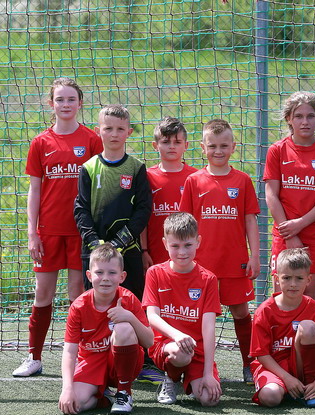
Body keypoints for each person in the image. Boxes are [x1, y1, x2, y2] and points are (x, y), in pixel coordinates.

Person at [14, 78, 103, 377]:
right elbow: (35, 189)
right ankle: (34, 357)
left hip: (81, 231)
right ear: (50, 104)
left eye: (71, 99)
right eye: (60, 99)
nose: (66, 104)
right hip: (49, 231)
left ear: (80, 103)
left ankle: (79, 358)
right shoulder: (41, 142)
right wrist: (32, 233)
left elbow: (99, 185)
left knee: (77, 294)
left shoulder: (91, 140)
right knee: (43, 294)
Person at [179, 119, 260, 384]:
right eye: (212, 146)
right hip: (202, 265)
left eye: (224, 145)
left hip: (234, 262)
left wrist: (255, 255)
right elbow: (185, 224)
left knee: (241, 313)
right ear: (202, 148)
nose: (218, 151)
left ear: (233, 147)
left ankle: (250, 364)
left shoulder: (242, 180)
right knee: (199, 317)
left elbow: (250, 220)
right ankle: (198, 367)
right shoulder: (194, 181)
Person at [58, 244, 154, 415]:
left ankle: (124, 393)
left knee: (124, 328)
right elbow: (70, 351)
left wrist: (129, 317)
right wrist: (67, 388)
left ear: (122, 277)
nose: (105, 278)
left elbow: (149, 342)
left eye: (112, 273)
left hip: (123, 363)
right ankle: (105, 397)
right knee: (75, 405)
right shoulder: (79, 307)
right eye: (99, 272)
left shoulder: (128, 299)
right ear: (89, 275)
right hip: (92, 361)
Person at [263, 91, 315, 301]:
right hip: (285, 232)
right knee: (282, 295)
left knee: (310, 296)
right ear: (289, 118)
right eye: (298, 116)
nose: (305, 122)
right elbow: (271, 195)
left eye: (310, 116)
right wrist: (289, 233)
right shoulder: (277, 150)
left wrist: (300, 224)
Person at [143, 212, 222, 407]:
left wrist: (208, 374)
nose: (182, 252)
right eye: (175, 246)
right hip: (167, 346)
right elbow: (152, 316)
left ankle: (193, 377)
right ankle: (171, 379)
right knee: (180, 352)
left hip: (197, 350)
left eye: (188, 245)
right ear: (165, 244)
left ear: (198, 242)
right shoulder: (155, 273)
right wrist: (177, 335)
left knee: (209, 399)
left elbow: (208, 328)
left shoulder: (208, 279)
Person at [74, 104, 152, 301]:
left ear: (129, 132)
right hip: (94, 252)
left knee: (130, 303)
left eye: (120, 129)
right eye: (108, 128)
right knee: (96, 305)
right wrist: (93, 242)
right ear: (98, 131)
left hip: (128, 250)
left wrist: (120, 241)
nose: (114, 134)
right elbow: (81, 209)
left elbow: (143, 209)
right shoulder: (88, 168)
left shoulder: (136, 168)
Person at [249, 248, 315, 408]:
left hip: (302, 370)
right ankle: (287, 389)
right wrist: (286, 378)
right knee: (270, 397)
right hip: (274, 370)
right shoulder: (264, 311)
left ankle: (310, 391)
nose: (293, 284)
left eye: (299, 278)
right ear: (277, 278)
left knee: (309, 327)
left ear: (308, 280)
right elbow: (261, 354)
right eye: (287, 278)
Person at [141, 117, 196, 268]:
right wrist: (144, 250)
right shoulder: (146, 177)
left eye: (177, 142)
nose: (171, 146)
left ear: (186, 145)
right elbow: (142, 217)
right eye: (165, 142)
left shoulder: (195, 177)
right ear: (155, 145)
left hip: (188, 255)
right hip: (155, 254)